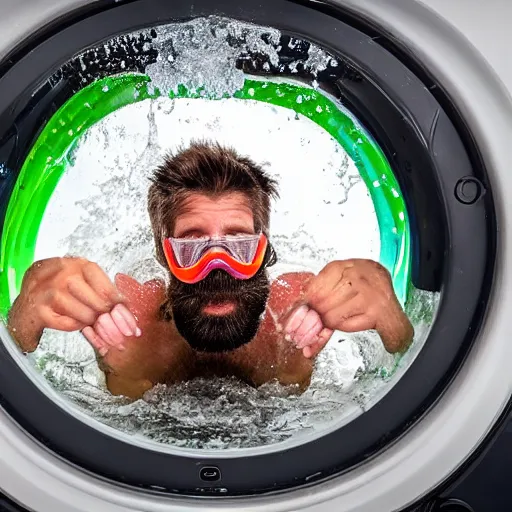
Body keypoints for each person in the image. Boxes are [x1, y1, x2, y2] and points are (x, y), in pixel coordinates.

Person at [7, 142, 413, 399]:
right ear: (163, 255)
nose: (217, 268)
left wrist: (394, 321)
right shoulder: (125, 320)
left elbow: (407, 363)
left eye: (238, 244)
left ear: (265, 248)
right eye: (191, 245)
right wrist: (22, 316)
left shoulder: (301, 308)